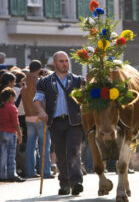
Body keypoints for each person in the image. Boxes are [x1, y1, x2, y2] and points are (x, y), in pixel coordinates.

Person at [33, 51, 85, 196]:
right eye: (61, 61)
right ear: (54, 64)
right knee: (61, 154)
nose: (65, 64)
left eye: (66, 61)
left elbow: (85, 99)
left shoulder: (78, 80)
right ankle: (64, 183)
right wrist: (41, 112)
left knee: (73, 151)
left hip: (74, 121)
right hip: (55, 122)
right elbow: (37, 99)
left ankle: (76, 182)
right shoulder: (44, 82)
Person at [22, 60, 53, 179]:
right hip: (40, 116)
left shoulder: (23, 81)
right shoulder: (40, 81)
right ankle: (45, 171)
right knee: (44, 145)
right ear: (39, 68)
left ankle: (30, 172)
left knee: (30, 145)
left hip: (28, 116)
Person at [0, 87, 25, 182]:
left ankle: (2, 175)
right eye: (14, 97)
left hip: (1, 132)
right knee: (11, 155)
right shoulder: (12, 107)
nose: (14, 99)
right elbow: (16, 123)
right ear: (10, 96)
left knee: (2, 154)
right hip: (10, 133)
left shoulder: (1, 107)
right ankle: (12, 174)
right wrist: (20, 134)